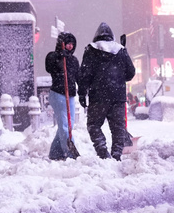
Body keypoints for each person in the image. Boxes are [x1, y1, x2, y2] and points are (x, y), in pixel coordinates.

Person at [78, 22, 136, 160]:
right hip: (118, 97)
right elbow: (131, 73)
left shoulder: (90, 50)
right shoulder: (121, 50)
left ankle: (103, 153)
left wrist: (82, 93)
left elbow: (84, 75)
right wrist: (119, 76)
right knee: (118, 129)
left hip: (98, 97)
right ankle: (116, 155)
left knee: (93, 125)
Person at [44, 31, 80, 160]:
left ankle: (55, 152)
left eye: (72, 44)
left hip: (69, 95)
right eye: (67, 43)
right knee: (65, 125)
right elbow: (49, 67)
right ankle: (71, 153)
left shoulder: (74, 60)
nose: (70, 46)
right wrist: (60, 57)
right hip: (58, 95)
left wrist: (83, 91)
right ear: (61, 43)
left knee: (68, 126)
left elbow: (78, 77)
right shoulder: (53, 56)